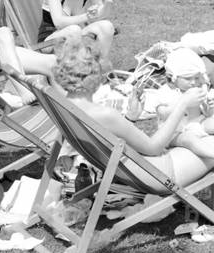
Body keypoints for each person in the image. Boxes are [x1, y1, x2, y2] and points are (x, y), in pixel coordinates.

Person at [52, 38, 214, 190]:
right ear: (95, 73)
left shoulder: (63, 105)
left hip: (132, 172)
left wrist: (130, 117)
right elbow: (154, 148)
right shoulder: (104, 114)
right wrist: (183, 103)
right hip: (161, 173)